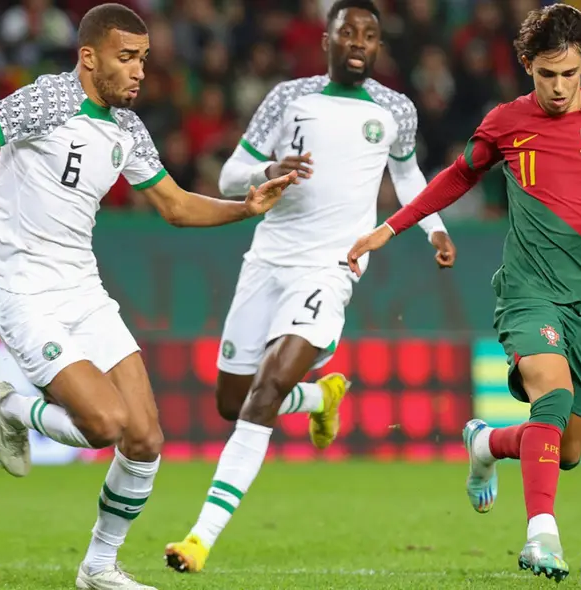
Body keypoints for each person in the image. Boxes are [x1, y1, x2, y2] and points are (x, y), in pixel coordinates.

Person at [0, 4, 296, 589]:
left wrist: (243, 208)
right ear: (89, 58)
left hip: (82, 289)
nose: (140, 71)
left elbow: (174, 205)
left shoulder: (127, 129)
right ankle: (12, 408)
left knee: (145, 440)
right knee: (106, 426)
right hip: (21, 287)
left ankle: (98, 568)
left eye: (144, 58)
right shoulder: (44, 101)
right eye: (127, 58)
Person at [346, 3, 581, 583]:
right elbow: (460, 174)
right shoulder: (507, 121)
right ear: (527, 65)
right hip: (528, 291)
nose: (558, 88)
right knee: (550, 398)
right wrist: (390, 227)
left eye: (569, 74)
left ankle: (486, 445)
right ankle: (541, 537)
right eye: (545, 74)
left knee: (569, 448)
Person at [163, 0, 456, 574]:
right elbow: (229, 175)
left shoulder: (396, 109)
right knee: (233, 402)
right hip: (268, 259)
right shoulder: (287, 98)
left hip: (331, 267)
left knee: (267, 388)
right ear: (327, 38)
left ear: (378, 46)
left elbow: (407, 175)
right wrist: (268, 171)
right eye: (348, 30)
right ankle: (322, 396)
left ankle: (199, 538)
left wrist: (435, 229)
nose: (358, 41)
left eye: (370, 35)